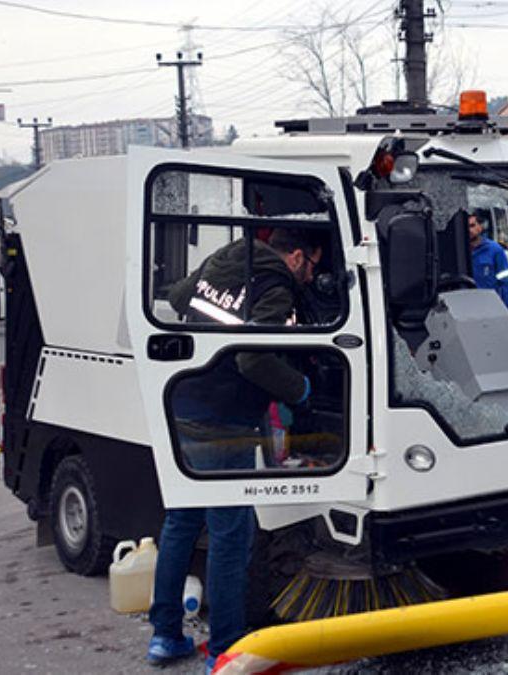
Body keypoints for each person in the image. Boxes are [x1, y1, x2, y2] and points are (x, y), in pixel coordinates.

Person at [146, 229, 321, 671]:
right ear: (296, 255)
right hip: (225, 419)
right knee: (230, 535)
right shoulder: (277, 285)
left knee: (182, 522)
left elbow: (182, 294)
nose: (311, 275)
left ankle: (165, 636)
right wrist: (299, 388)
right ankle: (225, 648)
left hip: (181, 400)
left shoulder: (230, 257)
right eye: (313, 265)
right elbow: (251, 359)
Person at [468, 211, 508, 311]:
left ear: (480, 227)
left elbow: (506, 282)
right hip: (468, 307)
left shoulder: (494, 250)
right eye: (466, 227)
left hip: (490, 308)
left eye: (472, 225)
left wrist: (505, 309)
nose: (469, 230)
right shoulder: (459, 253)